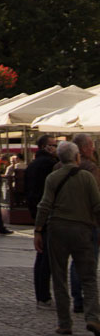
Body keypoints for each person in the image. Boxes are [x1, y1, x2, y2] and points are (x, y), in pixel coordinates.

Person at [34, 140, 100, 336]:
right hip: (82, 230)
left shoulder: (53, 178)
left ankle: (64, 323)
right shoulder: (87, 177)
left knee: (59, 276)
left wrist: (38, 230)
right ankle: (93, 318)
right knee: (88, 277)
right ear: (77, 156)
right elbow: (97, 206)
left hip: (57, 230)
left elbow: (44, 205)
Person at [25, 133, 58, 308]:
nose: (56, 148)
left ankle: (41, 294)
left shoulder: (32, 165)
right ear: (46, 147)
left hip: (36, 212)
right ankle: (44, 296)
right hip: (48, 213)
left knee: (41, 254)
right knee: (47, 257)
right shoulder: (50, 165)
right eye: (53, 145)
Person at [69, 132, 100, 316]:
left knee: (75, 262)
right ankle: (89, 305)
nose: (93, 148)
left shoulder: (58, 167)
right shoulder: (91, 168)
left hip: (69, 221)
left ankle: (77, 299)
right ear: (83, 149)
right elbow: (96, 199)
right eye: (90, 145)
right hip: (89, 222)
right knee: (90, 263)